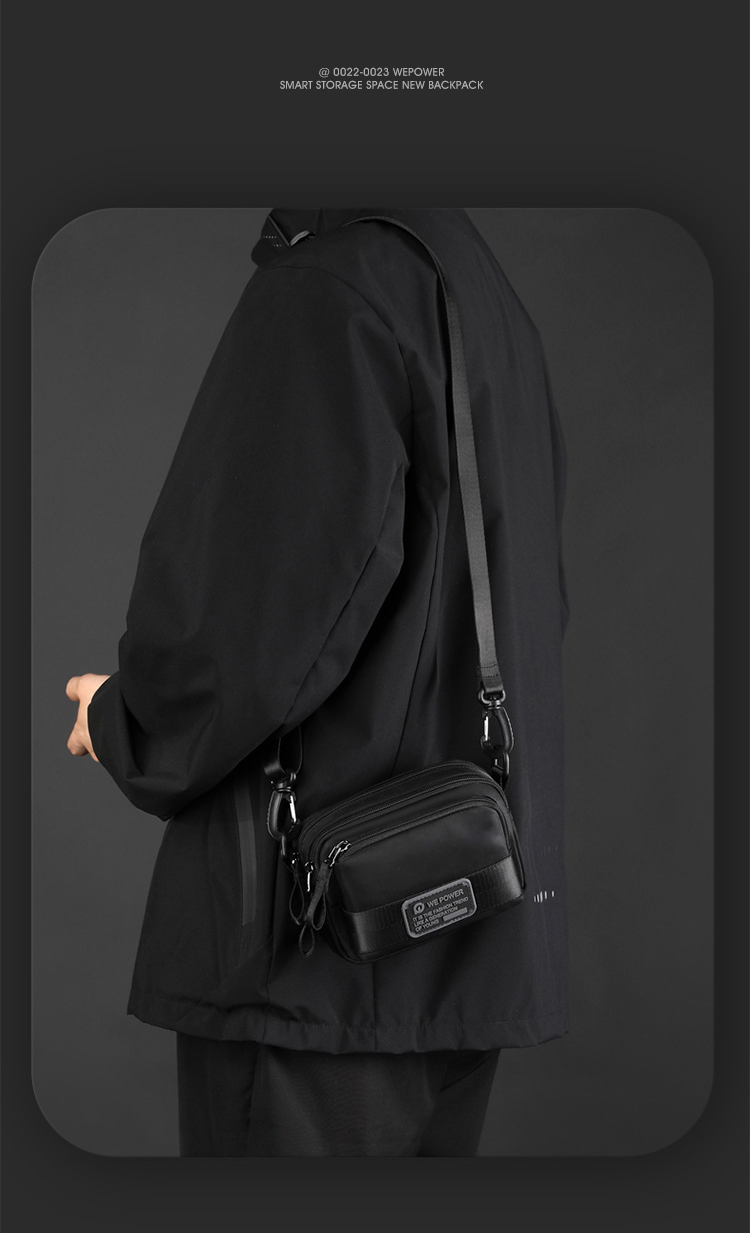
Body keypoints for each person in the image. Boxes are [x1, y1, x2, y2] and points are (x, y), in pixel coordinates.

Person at [66, 207, 570, 1156]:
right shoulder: (475, 283)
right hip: (464, 917)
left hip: (313, 961)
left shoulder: (327, 291)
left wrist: (126, 719)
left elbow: (254, 621)